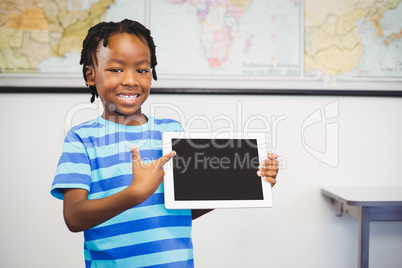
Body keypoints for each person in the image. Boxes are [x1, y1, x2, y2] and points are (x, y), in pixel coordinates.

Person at [51, 19, 279, 268]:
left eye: (142, 70)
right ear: (90, 74)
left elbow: (184, 210)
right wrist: (134, 193)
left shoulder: (171, 131)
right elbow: (74, 218)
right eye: (116, 69)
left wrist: (248, 182)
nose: (130, 80)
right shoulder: (82, 139)